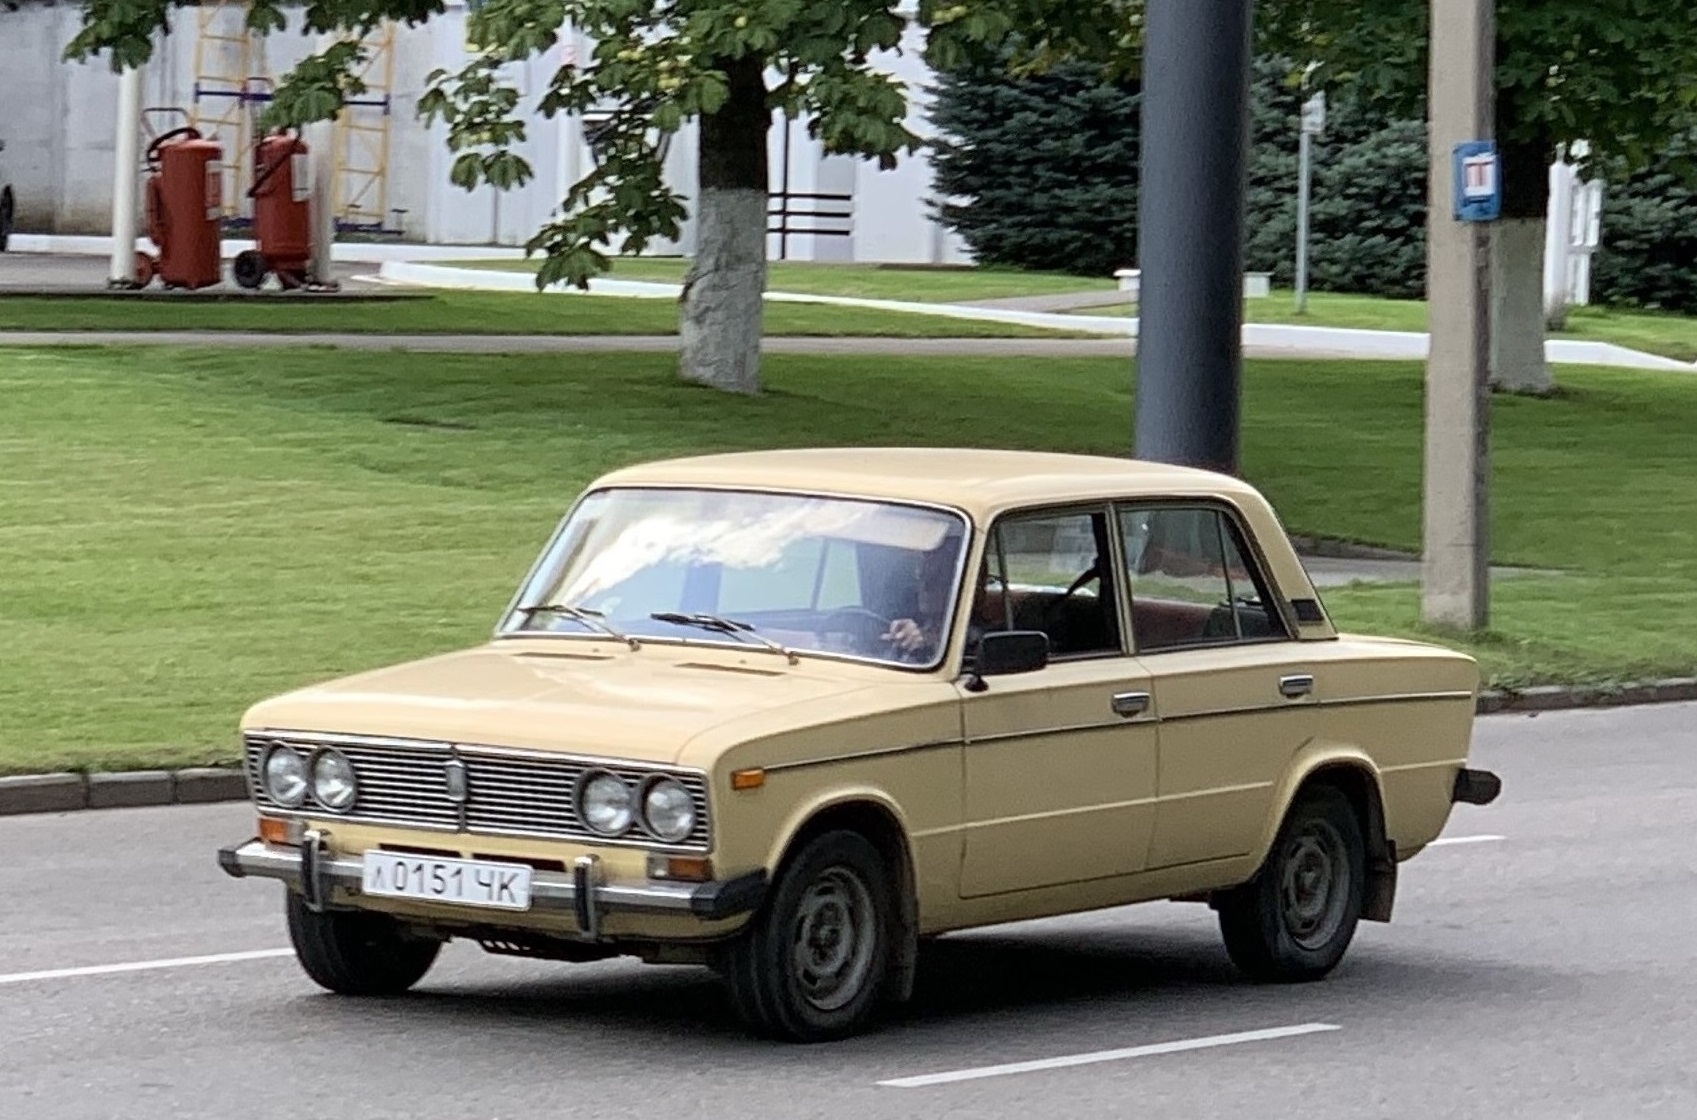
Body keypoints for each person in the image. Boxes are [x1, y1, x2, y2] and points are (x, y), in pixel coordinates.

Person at [882, 544, 1002, 661]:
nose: (925, 585)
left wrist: (927, 643)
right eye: (921, 574)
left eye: (935, 576)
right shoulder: (910, 621)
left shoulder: (977, 638)